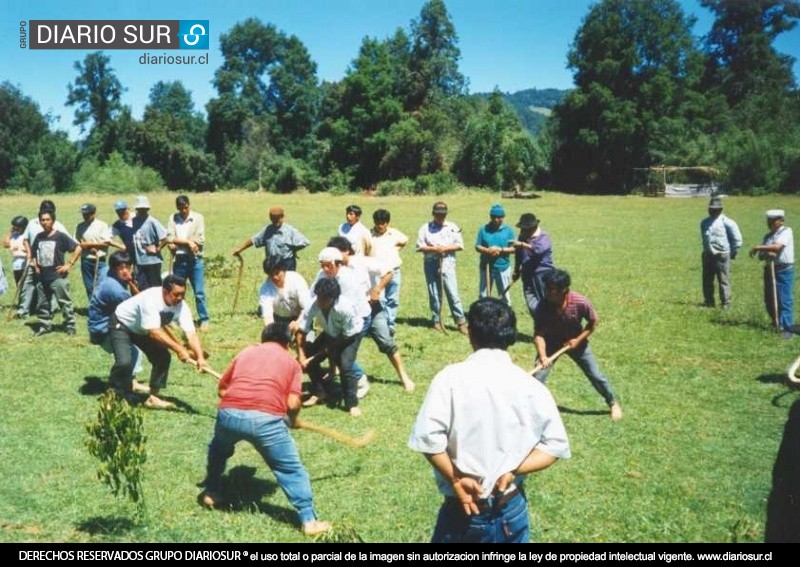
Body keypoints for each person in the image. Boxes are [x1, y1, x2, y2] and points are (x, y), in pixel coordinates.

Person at [408, 297, 570, 543]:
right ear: (511, 336)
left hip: (463, 511)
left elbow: (428, 439)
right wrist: (513, 469)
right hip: (511, 508)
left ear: (470, 334)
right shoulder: (531, 386)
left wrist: (457, 479)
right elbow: (554, 446)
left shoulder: (449, 378)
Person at [200, 322, 332, 537]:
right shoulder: (291, 363)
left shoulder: (245, 353)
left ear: (263, 339)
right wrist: (293, 418)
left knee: (218, 449)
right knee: (290, 469)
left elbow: (222, 389)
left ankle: (212, 492)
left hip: (228, 415)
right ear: (288, 344)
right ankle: (309, 520)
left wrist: (241, 405)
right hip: (266, 421)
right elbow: (292, 403)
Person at [326, 236, 415, 394]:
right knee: (340, 343)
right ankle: (337, 373)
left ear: (346, 251)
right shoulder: (334, 269)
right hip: (350, 314)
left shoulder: (363, 262)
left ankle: (404, 377)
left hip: (373, 309)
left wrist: (377, 290)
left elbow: (388, 272)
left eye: (337, 253)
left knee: (387, 343)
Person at [533, 269, 623, 421]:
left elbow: (594, 322)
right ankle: (530, 409)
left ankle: (612, 403)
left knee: (595, 375)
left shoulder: (581, 302)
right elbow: (539, 335)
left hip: (576, 342)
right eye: (546, 289)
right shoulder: (542, 306)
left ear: (564, 291)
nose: (547, 293)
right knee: (537, 378)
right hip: (550, 344)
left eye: (552, 291)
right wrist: (542, 356)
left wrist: (578, 340)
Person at [109, 274, 206, 409]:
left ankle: (153, 398)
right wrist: (179, 349)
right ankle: (114, 395)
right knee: (124, 362)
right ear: (165, 291)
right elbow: (154, 333)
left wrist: (200, 357)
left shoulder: (182, 306)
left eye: (183, 294)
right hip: (122, 324)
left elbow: (191, 333)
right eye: (176, 294)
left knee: (162, 357)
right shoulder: (150, 299)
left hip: (142, 329)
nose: (180, 298)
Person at [295, 276, 364, 417]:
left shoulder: (345, 308)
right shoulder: (313, 305)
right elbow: (301, 332)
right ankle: (320, 391)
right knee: (308, 353)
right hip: (329, 332)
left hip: (349, 336)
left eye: (324, 299)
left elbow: (342, 339)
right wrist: (303, 356)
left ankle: (351, 403)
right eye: (318, 297)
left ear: (333, 298)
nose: (320, 301)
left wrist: (319, 355)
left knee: (345, 364)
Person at [88, 251, 144, 389]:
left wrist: (130, 281)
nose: (125, 271)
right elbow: (136, 308)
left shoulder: (106, 271)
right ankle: (127, 382)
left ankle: (127, 380)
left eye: (128, 267)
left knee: (133, 348)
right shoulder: (116, 290)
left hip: (104, 324)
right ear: (114, 268)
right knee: (133, 349)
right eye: (120, 268)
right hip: (102, 330)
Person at [416, 201, 468, 334]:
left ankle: (461, 322)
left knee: (452, 292)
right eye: (438, 215)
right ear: (433, 214)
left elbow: (460, 245)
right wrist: (433, 249)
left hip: (448, 263)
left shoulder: (452, 226)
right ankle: (436, 320)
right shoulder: (425, 228)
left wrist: (445, 248)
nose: (440, 217)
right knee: (434, 292)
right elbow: (419, 246)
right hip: (431, 263)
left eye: (443, 215)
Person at [17, 200, 74, 319]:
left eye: (50, 212)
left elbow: (69, 242)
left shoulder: (58, 225)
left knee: (52, 287)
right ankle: (23, 311)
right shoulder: (32, 223)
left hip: (51, 266)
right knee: (28, 285)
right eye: (44, 210)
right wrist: (29, 254)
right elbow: (26, 239)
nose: (45, 221)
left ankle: (51, 310)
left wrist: (68, 263)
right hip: (34, 261)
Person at [29, 209, 82, 336]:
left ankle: (70, 325)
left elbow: (78, 248)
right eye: (42, 220)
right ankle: (45, 325)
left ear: (53, 221)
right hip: (43, 277)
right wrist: (35, 264)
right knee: (43, 303)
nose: (45, 222)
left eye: (47, 220)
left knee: (64, 303)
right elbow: (33, 252)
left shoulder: (60, 236)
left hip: (58, 277)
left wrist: (69, 264)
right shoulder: (39, 237)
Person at [167, 195, 210, 331]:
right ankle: (177, 318)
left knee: (199, 292)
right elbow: (170, 237)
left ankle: (204, 319)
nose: (184, 210)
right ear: (177, 208)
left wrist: (179, 242)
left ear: (189, 205)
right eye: (180, 208)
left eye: (185, 207)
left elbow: (200, 240)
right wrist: (187, 242)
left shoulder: (198, 218)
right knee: (178, 291)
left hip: (195, 260)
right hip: (179, 260)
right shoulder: (173, 218)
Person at [750, 209, 795, 336]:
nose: (770, 223)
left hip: (783, 270)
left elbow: (777, 247)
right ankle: (775, 322)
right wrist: (765, 254)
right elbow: (761, 256)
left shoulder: (787, 231)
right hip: (770, 269)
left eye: (773, 220)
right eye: (768, 220)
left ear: (781, 221)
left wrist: (757, 247)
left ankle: (787, 329)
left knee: (784, 299)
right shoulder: (768, 236)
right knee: (769, 299)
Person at [231, 206, 310, 272]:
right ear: (270, 218)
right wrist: (240, 249)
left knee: (287, 286)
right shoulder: (268, 230)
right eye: (273, 219)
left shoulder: (290, 230)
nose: (276, 221)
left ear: (282, 217)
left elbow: (305, 242)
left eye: (278, 218)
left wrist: (293, 250)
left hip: (286, 263)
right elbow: (254, 240)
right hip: (271, 263)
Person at [369, 208, 408, 334]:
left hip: (394, 270)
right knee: (380, 299)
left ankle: (390, 325)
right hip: (377, 273)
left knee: (393, 299)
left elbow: (405, 240)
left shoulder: (394, 233)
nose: (380, 226)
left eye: (383, 223)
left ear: (388, 223)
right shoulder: (368, 235)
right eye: (378, 223)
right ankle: (380, 326)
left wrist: (396, 249)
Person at [700, 196, 742, 310]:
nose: (712, 210)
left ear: (720, 209)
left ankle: (726, 303)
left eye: (715, 208)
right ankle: (709, 302)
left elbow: (737, 239)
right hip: (708, 254)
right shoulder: (704, 222)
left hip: (722, 254)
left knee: (723, 280)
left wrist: (733, 251)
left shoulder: (727, 222)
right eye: (711, 208)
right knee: (707, 279)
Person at [511, 212, 555, 319]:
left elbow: (538, 250)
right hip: (527, 275)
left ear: (532, 228)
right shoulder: (522, 236)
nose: (521, 231)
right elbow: (518, 254)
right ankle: (540, 326)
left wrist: (522, 244)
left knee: (545, 302)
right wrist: (516, 270)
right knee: (531, 303)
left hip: (542, 275)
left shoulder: (543, 237)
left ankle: (550, 330)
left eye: (524, 229)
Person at [75, 203, 119, 300]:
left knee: (102, 285)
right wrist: (88, 247)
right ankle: (93, 307)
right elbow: (79, 242)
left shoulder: (102, 225)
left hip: (100, 260)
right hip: (86, 260)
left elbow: (106, 243)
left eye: (87, 214)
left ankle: (103, 306)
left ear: (93, 213)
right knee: (89, 286)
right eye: (83, 214)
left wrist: (90, 245)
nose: (85, 216)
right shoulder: (80, 226)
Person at [475, 203, 516, 304]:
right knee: (483, 294)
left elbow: (514, 248)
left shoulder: (508, 231)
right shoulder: (483, 230)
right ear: (490, 217)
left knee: (504, 294)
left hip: (502, 267)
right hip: (486, 266)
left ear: (503, 217)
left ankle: (505, 316)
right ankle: (483, 315)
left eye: (499, 217)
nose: (496, 220)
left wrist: (500, 250)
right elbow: (477, 246)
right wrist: (488, 250)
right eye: (494, 217)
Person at [259, 257, 311, 327]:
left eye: (277, 273)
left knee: (307, 336)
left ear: (284, 270)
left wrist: (297, 323)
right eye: (271, 275)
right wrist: (271, 330)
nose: (275, 277)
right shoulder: (265, 288)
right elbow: (268, 316)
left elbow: (307, 307)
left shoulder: (297, 280)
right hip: (280, 319)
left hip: (302, 316)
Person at [131, 195, 167, 290]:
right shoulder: (133, 221)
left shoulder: (152, 221)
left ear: (147, 208)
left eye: (144, 208)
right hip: (140, 261)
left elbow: (165, 237)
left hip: (152, 261)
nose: (142, 210)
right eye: (140, 208)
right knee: (143, 289)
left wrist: (157, 248)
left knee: (155, 289)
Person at [3, 215, 28, 286]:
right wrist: (10, 232)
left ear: (24, 227)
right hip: (16, 265)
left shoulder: (26, 236)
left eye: (18, 227)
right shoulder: (14, 235)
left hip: (25, 264)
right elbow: (6, 244)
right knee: (19, 285)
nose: (15, 228)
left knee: (25, 286)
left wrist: (22, 249)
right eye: (14, 226)